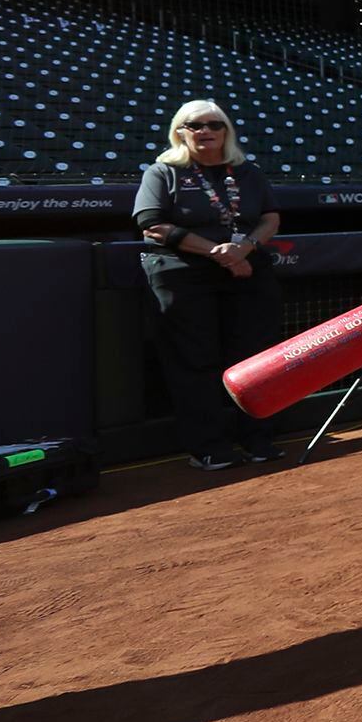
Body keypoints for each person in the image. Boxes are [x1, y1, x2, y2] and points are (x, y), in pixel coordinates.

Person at [133, 99, 284, 470]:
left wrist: (244, 249)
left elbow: (270, 217)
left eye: (214, 125)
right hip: (185, 273)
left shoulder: (247, 171)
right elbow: (152, 223)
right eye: (194, 125)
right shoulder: (163, 172)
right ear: (180, 131)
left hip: (246, 271)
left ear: (226, 131)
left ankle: (257, 438)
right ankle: (209, 446)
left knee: (254, 358)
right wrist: (220, 253)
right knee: (195, 361)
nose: (205, 131)